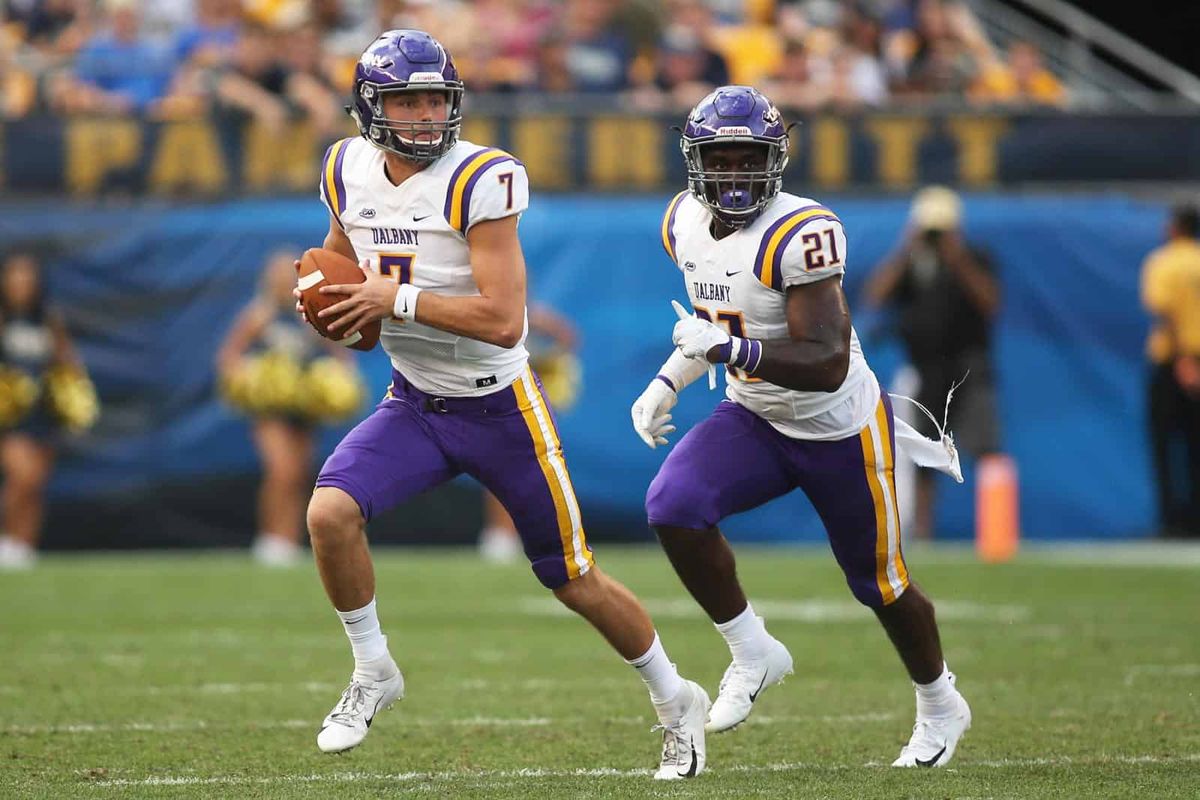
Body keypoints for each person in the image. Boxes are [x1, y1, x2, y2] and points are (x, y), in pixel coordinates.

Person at [293, 30, 709, 779]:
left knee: (572, 577)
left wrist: (401, 297)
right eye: (405, 101)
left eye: (433, 100)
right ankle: (372, 670)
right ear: (369, 107)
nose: (422, 116)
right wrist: (336, 304)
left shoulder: (479, 178)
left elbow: (502, 318)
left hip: (500, 409)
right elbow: (346, 269)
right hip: (415, 402)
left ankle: (677, 700)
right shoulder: (344, 167)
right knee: (328, 514)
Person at [630, 86, 970, 767]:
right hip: (756, 415)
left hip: (838, 426)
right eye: (719, 159)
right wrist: (668, 380)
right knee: (673, 506)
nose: (733, 173)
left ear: (775, 159)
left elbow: (824, 361)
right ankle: (753, 651)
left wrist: (724, 353)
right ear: (695, 162)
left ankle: (940, 702)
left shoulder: (801, 233)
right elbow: (720, 325)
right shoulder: (681, 224)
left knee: (880, 584)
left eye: (746, 158)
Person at [864, 186, 1002, 540]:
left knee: (985, 444)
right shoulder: (912, 264)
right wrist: (907, 249)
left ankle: (998, 529)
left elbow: (990, 303)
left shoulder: (974, 258)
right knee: (927, 451)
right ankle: (924, 534)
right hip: (927, 368)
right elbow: (875, 297)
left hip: (970, 365)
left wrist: (958, 260)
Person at [217, 249, 360, 566]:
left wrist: (338, 382)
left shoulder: (310, 314)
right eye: (277, 277)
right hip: (270, 408)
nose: (282, 283)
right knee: (280, 471)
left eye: (288, 277)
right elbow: (229, 357)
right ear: (268, 281)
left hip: (304, 405)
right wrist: (250, 379)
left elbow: (340, 353)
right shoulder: (259, 316)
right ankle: (270, 539)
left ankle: (289, 541)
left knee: (298, 474)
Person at [0, 252, 89, 569]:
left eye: (28, 277)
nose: (22, 282)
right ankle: (6, 540)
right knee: (22, 477)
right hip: (9, 416)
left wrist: (73, 398)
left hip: (43, 412)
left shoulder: (48, 319)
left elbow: (67, 361)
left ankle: (25, 547)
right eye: (15, 276)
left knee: (36, 482)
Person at [478, 302, 580, 562]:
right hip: (500, 399)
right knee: (501, 467)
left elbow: (569, 338)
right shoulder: (489, 313)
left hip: (527, 399)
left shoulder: (534, 316)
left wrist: (549, 357)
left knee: (534, 468)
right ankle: (502, 534)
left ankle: (536, 534)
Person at [1141, 204, 1200, 538]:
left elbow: (1166, 311)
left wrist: (1183, 360)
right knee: (1195, 446)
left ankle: (1171, 522)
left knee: (1164, 446)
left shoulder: (1163, 262)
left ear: (1175, 228)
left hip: (1172, 361)